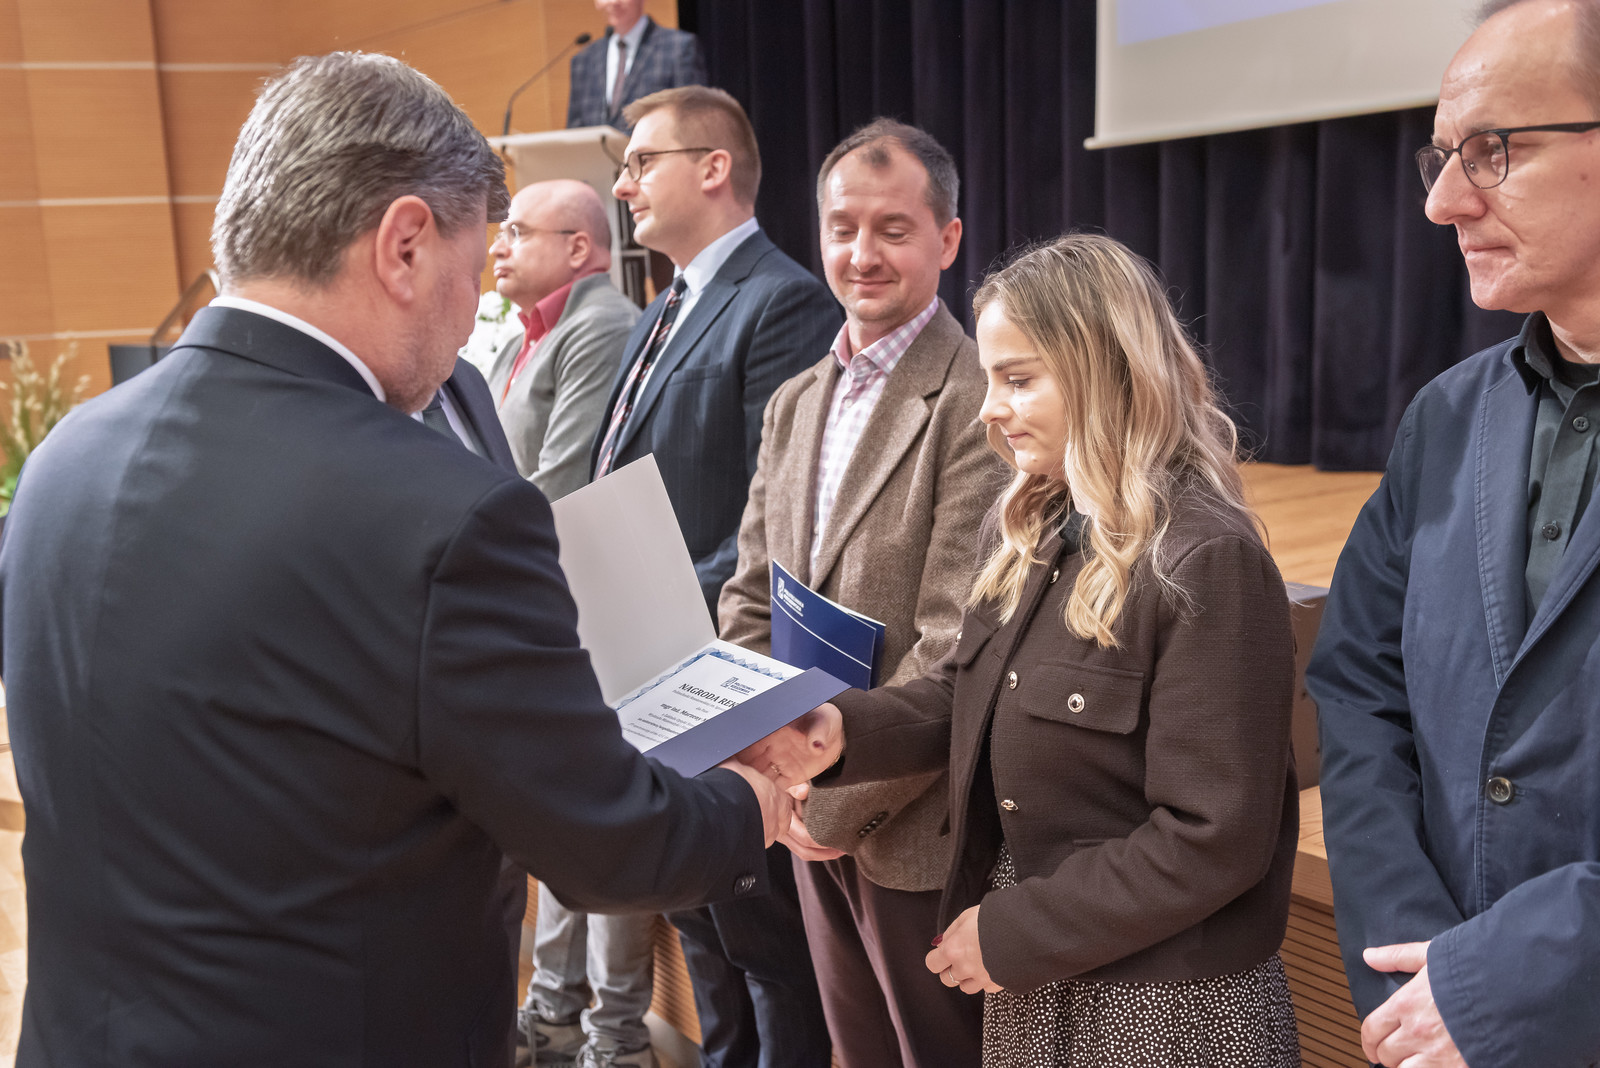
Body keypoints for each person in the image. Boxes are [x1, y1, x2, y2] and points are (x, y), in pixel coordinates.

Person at [0, 51, 798, 1068]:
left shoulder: (65, 456)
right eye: (471, 273)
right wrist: (755, 801)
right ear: (406, 245)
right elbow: (608, 843)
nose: (470, 318)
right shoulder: (440, 514)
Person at [755, 233, 1303, 1068]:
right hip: (1040, 976)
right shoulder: (1032, 526)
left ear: (1104, 373)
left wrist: (1013, 933)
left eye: (1017, 381)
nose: (988, 409)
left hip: (1160, 1004)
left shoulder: (1208, 559)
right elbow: (962, 695)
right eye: (990, 380)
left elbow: (1213, 837)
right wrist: (842, 732)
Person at [1306, 2, 1600, 1065]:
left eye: (1493, 150)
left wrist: (1515, 983)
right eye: (1442, 157)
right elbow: (1357, 687)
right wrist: (1416, 963)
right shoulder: (1446, 416)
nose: (1441, 202)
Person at [717, 118, 999, 1068]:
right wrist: (772, 771)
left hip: (912, 823)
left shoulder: (979, 399)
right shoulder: (796, 400)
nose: (862, 254)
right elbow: (749, 598)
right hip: (800, 802)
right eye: (843, 228)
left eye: (893, 229)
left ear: (947, 240)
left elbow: (955, 641)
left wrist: (825, 798)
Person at [596, 84, 842, 1068]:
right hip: (653, 673)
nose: (622, 186)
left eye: (640, 162)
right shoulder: (661, 311)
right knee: (699, 929)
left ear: (712, 167)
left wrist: (637, 605)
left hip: (720, 670)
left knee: (765, 949)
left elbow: (774, 517)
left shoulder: (782, 301)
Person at [487, 179, 638, 501]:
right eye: (500, 235)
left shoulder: (603, 327)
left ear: (577, 249)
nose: (496, 249)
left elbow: (563, 486)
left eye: (517, 233)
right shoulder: (521, 342)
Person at [567, 0, 705, 132]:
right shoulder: (583, 60)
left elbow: (691, 116)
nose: (614, 2)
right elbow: (575, 131)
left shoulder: (679, 47)